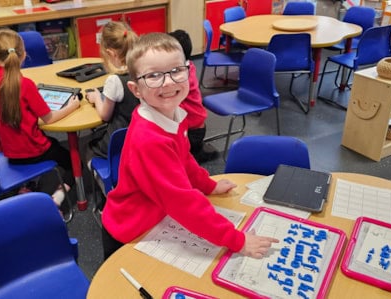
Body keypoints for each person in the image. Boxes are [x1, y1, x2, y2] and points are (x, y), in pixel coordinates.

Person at [101, 32, 279, 259]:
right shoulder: (150, 140)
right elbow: (182, 202)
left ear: (189, 70)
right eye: (154, 75)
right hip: (130, 232)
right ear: (136, 90)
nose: (168, 82)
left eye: (176, 71)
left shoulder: (174, 114)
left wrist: (207, 185)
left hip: (156, 219)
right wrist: (238, 240)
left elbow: (184, 159)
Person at [0, 29, 79, 207]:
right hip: (35, 151)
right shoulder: (25, 85)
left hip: (8, 152)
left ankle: (26, 185)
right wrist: (72, 106)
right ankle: (57, 198)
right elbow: (48, 118)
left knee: (47, 147)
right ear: (23, 54)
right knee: (73, 161)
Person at [84, 21, 139, 161]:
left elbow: (105, 116)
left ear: (110, 53)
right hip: (140, 134)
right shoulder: (141, 70)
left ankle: (102, 180)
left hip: (122, 140)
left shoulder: (114, 81)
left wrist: (96, 97)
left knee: (87, 150)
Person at [168, 29, 218, 163]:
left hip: (193, 131)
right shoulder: (189, 66)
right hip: (195, 125)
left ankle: (197, 153)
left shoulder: (181, 79)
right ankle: (198, 151)